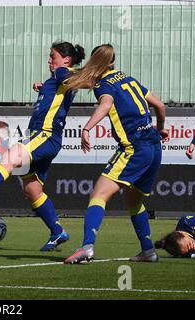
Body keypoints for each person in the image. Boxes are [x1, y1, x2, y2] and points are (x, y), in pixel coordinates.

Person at [0, 42, 85, 251]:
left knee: (11, 156)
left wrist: (76, 77)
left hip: (45, 135)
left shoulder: (63, 72)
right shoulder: (54, 79)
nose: (49, 60)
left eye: (52, 56)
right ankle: (57, 232)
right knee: (32, 189)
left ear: (66, 59)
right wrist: (43, 87)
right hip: (45, 137)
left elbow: (71, 79)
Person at [63, 44, 169, 264]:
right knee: (134, 201)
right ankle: (148, 251)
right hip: (153, 147)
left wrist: (87, 127)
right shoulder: (130, 79)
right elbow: (160, 105)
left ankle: (87, 247)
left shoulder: (103, 85)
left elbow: (106, 104)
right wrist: (160, 127)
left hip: (134, 148)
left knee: (98, 195)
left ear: (97, 63)